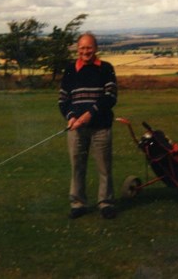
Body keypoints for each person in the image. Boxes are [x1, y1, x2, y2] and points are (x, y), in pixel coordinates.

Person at [58, 33, 117, 219]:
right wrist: (71, 117)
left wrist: (89, 114)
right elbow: (63, 100)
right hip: (76, 128)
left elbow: (111, 97)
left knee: (104, 167)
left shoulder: (106, 68)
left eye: (89, 47)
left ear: (96, 48)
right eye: (82, 48)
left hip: (101, 127)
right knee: (77, 166)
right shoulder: (69, 70)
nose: (86, 51)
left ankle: (105, 203)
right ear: (77, 49)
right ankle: (78, 203)